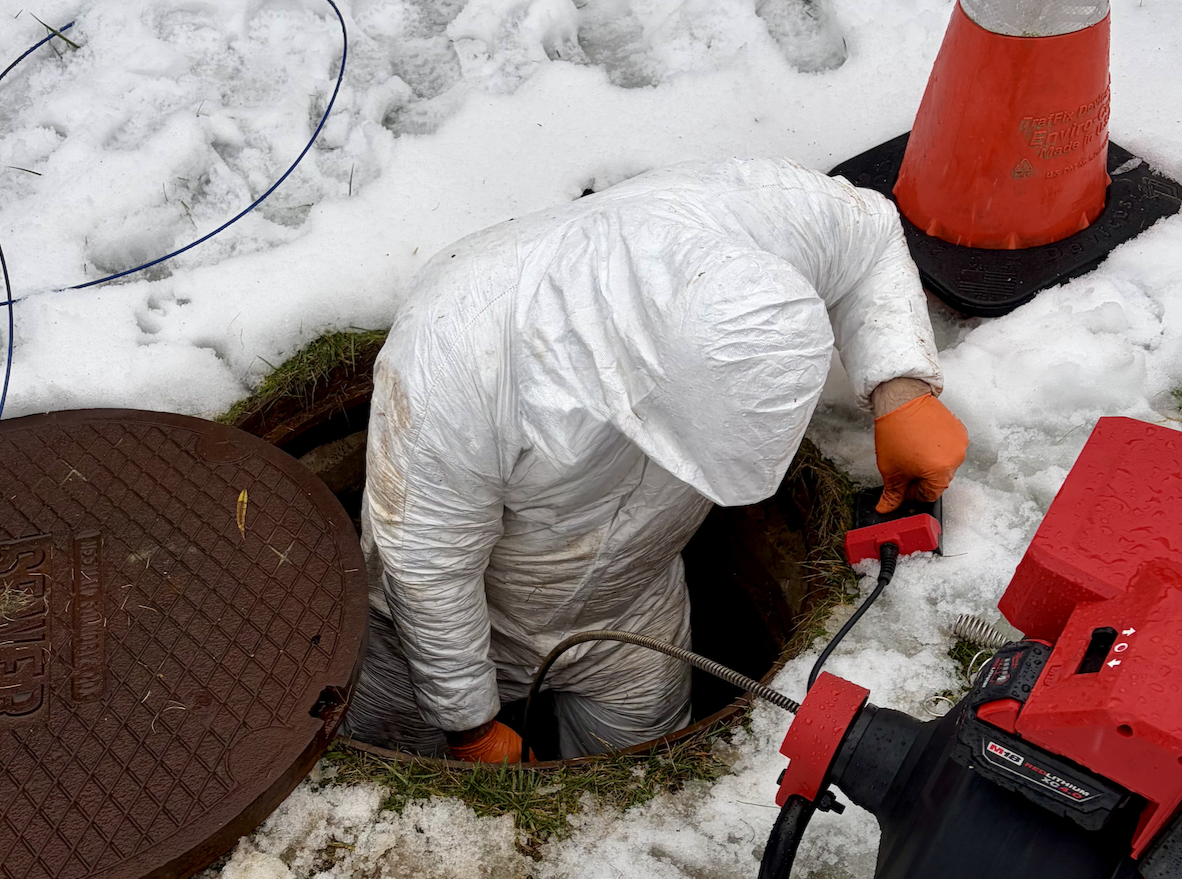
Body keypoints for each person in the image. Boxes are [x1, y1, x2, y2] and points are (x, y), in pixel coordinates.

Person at [344, 158, 967, 762]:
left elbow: (873, 236)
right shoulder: (458, 349)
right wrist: (467, 722)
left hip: (632, 607)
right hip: (445, 624)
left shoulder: (758, 213)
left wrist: (900, 388)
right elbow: (428, 567)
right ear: (650, 377)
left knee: (637, 768)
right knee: (390, 756)